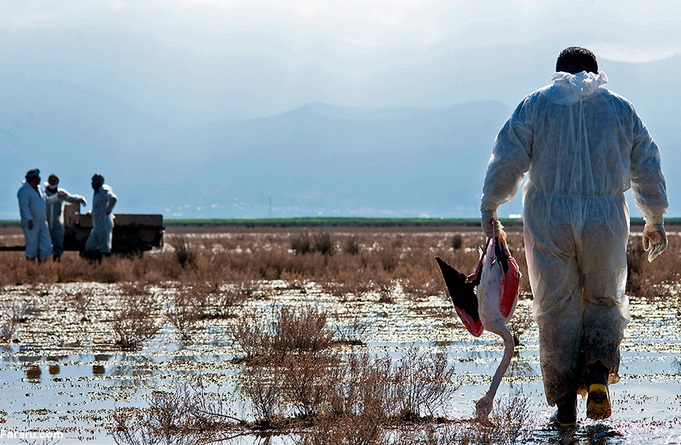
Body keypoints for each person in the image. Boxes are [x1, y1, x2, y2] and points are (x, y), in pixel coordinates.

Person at [479, 47, 668, 426]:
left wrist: (490, 204)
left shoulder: (536, 105)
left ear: (557, 72)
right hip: (605, 218)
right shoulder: (620, 109)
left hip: (549, 219)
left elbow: (508, 155)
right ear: (596, 72)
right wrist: (655, 216)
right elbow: (646, 161)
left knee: (555, 308)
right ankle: (597, 376)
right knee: (603, 297)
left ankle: (565, 409)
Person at [17, 169, 65, 261]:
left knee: (46, 245)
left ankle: (42, 262)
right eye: (37, 177)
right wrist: (28, 219)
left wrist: (57, 197)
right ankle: (31, 264)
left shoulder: (39, 189)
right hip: (31, 222)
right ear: (32, 179)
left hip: (42, 221)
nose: (39, 179)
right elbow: (24, 207)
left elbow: (45, 201)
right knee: (32, 244)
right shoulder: (24, 191)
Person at [44, 173, 87, 261]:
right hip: (45, 222)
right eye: (51, 180)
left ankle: (57, 261)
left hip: (57, 223)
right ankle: (43, 262)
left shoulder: (61, 193)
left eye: (54, 180)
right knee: (45, 243)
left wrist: (80, 199)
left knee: (58, 243)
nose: (52, 182)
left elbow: (70, 198)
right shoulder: (43, 194)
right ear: (48, 181)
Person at [84, 173, 117, 261]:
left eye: (95, 181)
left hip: (104, 223)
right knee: (90, 245)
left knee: (104, 247)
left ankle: (104, 266)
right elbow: (99, 206)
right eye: (92, 181)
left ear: (99, 182)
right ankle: (92, 264)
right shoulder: (97, 192)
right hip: (97, 225)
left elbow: (113, 198)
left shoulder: (104, 190)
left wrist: (109, 209)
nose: (92, 183)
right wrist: (91, 212)